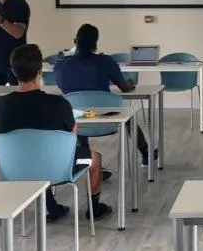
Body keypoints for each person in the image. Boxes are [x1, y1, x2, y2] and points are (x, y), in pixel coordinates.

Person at [0, 44, 111, 221]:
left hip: (14, 167)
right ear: (40, 71)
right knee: (95, 159)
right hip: (57, 167)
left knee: (34, 155)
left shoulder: (0, 105)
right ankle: (94, 209)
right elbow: (72, 135)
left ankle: (53, 208)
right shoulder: (58, 103)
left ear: (14, 72)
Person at [55, 23, 155, 167]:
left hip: (77, 122)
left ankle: (88, 163)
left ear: (75, 42)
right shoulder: (106, 61)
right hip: (108, 119)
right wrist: (131, 83)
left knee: (79, 113)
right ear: (95, 44)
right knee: (129, 120)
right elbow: (125, 88)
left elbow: (64, 89)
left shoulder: (61, 65)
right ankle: (146, 154)